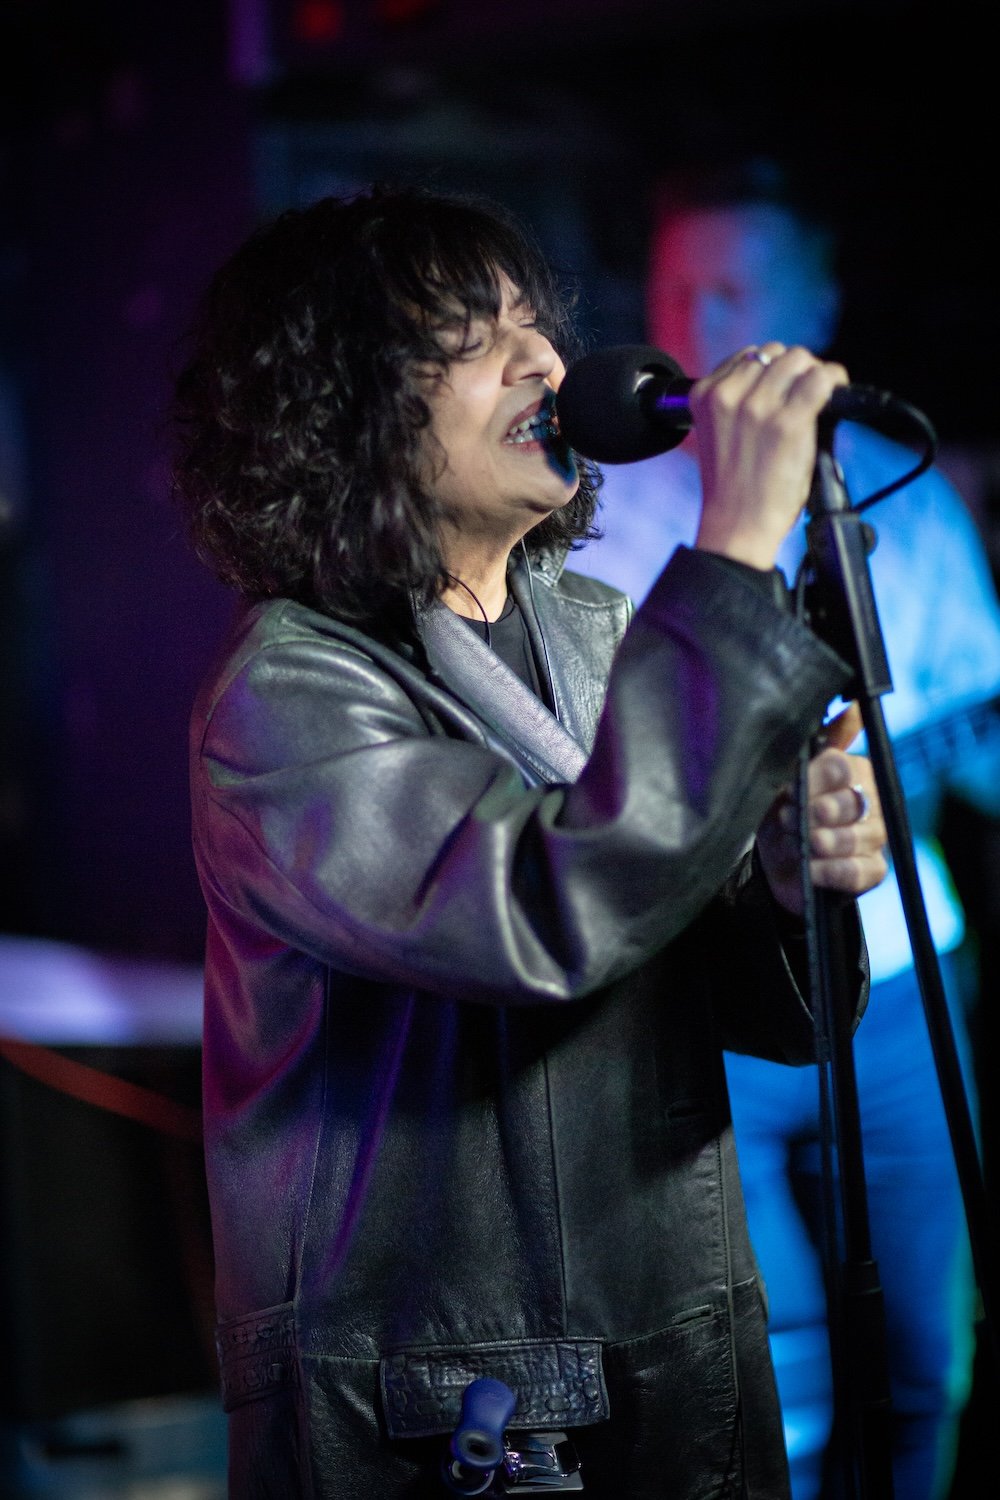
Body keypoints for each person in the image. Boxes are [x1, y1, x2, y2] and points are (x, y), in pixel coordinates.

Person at [171, 184, 888, 1499]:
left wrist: (784, 889)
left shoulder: (603, 632)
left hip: (673, 1359)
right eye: (466, 336)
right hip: (444, 1411)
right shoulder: (288, 698)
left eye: (534, 325)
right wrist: (734, 546)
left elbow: (745, 997)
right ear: (339, 407)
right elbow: (543, 912)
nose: (546, 361)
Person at [570, 158, 1000, 1499]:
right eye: (678, 286)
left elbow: (972, 724)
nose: (703, 321)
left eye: (739, 285)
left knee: (934, 1344)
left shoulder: (901, 487)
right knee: (764, 1357)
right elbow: (605, 778)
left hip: (903, 973)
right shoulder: (595, 512)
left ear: (815, 298)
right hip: (705, 994)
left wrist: (911, 763)